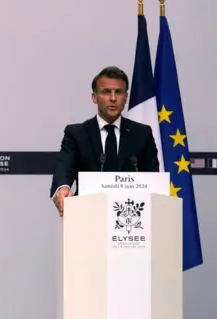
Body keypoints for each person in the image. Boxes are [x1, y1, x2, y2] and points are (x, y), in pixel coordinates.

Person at [49, 66, 159, 217]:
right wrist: (62, 187)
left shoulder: (142, 134)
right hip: (87, 217)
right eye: (106, 92)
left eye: (118, 92)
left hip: (131, 218)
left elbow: (152, 177)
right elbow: (64, 167)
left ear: (126, 97)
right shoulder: (76, 134)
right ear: (94, 97)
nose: (113, 98)